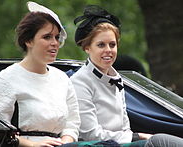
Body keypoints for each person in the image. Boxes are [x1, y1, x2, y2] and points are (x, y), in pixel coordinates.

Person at [70, 5, 183, 147]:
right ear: (87, 48)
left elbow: (124, 128)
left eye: (112, 45)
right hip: (99, 144)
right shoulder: (79, 82)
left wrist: (133, 136)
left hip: (121, 142)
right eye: (101, 45)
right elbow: (91, 134)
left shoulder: (117, 79)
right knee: (160, 141)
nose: (108, 50)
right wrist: (137, 136)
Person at [0, 1, 80, 147]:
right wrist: (31, 144)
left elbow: (72, 123)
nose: (55, 42)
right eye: (47, 37)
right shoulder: (7, 79)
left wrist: (65, 143)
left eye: (57, 37)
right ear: (29, 40)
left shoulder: (62, 79)